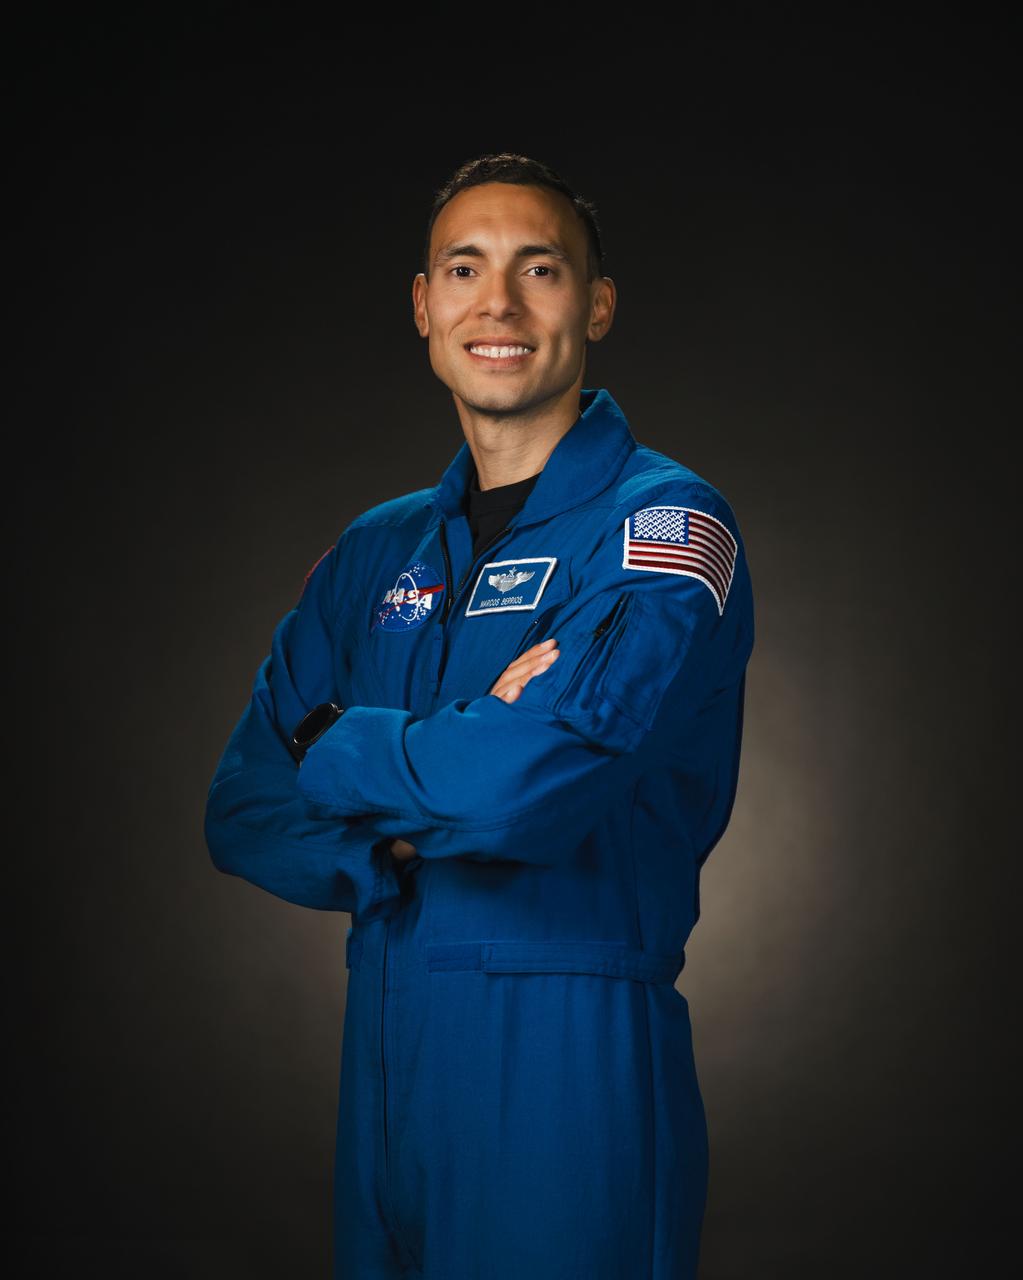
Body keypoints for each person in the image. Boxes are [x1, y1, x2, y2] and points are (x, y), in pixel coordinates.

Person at [205, 152, 755, 1280]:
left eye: (538, 269)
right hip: (385, 1061)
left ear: (596, 304)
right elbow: (245, 808)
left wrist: (335, 741)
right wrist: (417, 815)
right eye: (464, 269)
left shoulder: (664, 526)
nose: (496, 303)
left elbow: (525, 792)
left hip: (566, 1065)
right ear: (424, 306)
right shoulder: (374, 552)